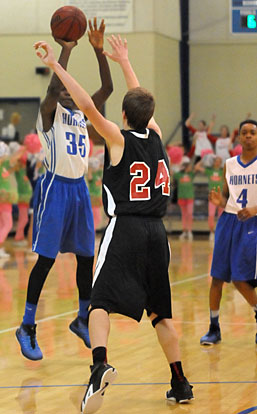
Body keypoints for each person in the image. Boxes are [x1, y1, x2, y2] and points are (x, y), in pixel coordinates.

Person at [34, 35, 194, 412]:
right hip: (159, 234)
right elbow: (140, 98)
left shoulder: (118, 139)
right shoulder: (156, 137)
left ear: (123, 116)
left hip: (126, 229)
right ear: (148, 115)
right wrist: (124, 61)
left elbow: (87, 105)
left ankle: (99, 365)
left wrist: (56, 65)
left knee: (99, 301)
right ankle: (180, 382)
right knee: (160, 313)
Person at [16, 18, 113, 361]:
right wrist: (65, 50)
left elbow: (107, 90)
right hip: (55, 187)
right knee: (45, 259)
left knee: (87, 257)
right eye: (63, 87)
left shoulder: (81, 116)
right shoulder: (48, 114)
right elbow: (52, 89)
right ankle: (27, 325)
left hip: (79, 191)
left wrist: (99, 52)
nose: (68, 90)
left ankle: (83, 317)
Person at [200, 119, 257, 345]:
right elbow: (226, 196)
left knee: (241, 279)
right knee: (218, 277)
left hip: (252, 223)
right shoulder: (229, 164)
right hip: (229, 221)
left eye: (252, 132)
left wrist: (254, 209)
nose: (248, 136)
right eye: (244, 132)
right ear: (239, 137)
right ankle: (214, 328)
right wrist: (219, 201)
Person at [195, 155, 223, 241]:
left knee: (221, 216)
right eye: (216, 161)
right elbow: (197, 167)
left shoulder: (223, 171)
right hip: (212, 196)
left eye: (219, 161)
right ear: (213, 162)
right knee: (211, 215)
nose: (217, 162)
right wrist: (204, 159)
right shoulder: (209, 171)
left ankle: (220, 232)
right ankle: (212, 232)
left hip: (220, 196)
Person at [173, 157, 195, 241]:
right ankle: (184, 231)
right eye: (189, 166)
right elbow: (172, 172)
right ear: (185, 167)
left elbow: (197, 167)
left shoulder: (191, 174)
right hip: (181, 197)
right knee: (184, 215)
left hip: (190, 197)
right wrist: (178, 164)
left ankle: (189, 231)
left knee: (189, 214)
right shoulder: (179, 175)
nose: (190, 168)